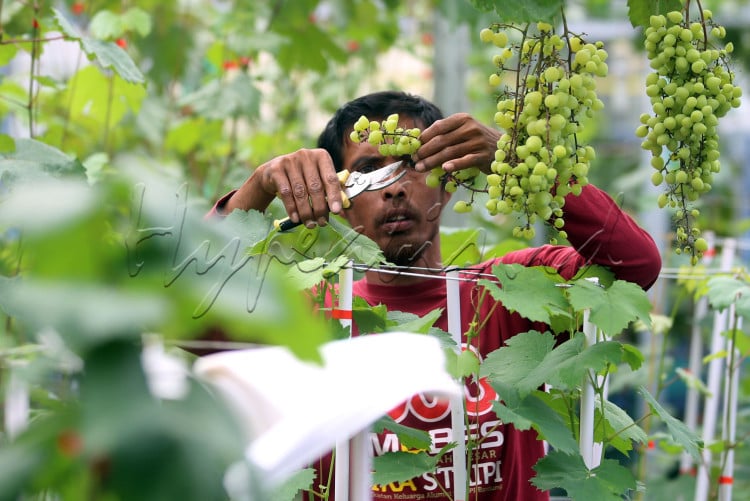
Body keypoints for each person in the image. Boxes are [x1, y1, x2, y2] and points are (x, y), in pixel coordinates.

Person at [208, 90, 662, 500]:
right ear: (338, 199)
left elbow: (636, 264)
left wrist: (518, 160)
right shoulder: (310, 312)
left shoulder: (514, 291)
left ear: (451, 180)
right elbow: (192, 325)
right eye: (368, 170)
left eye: (413, 162)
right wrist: (256, 190)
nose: (396, 187)